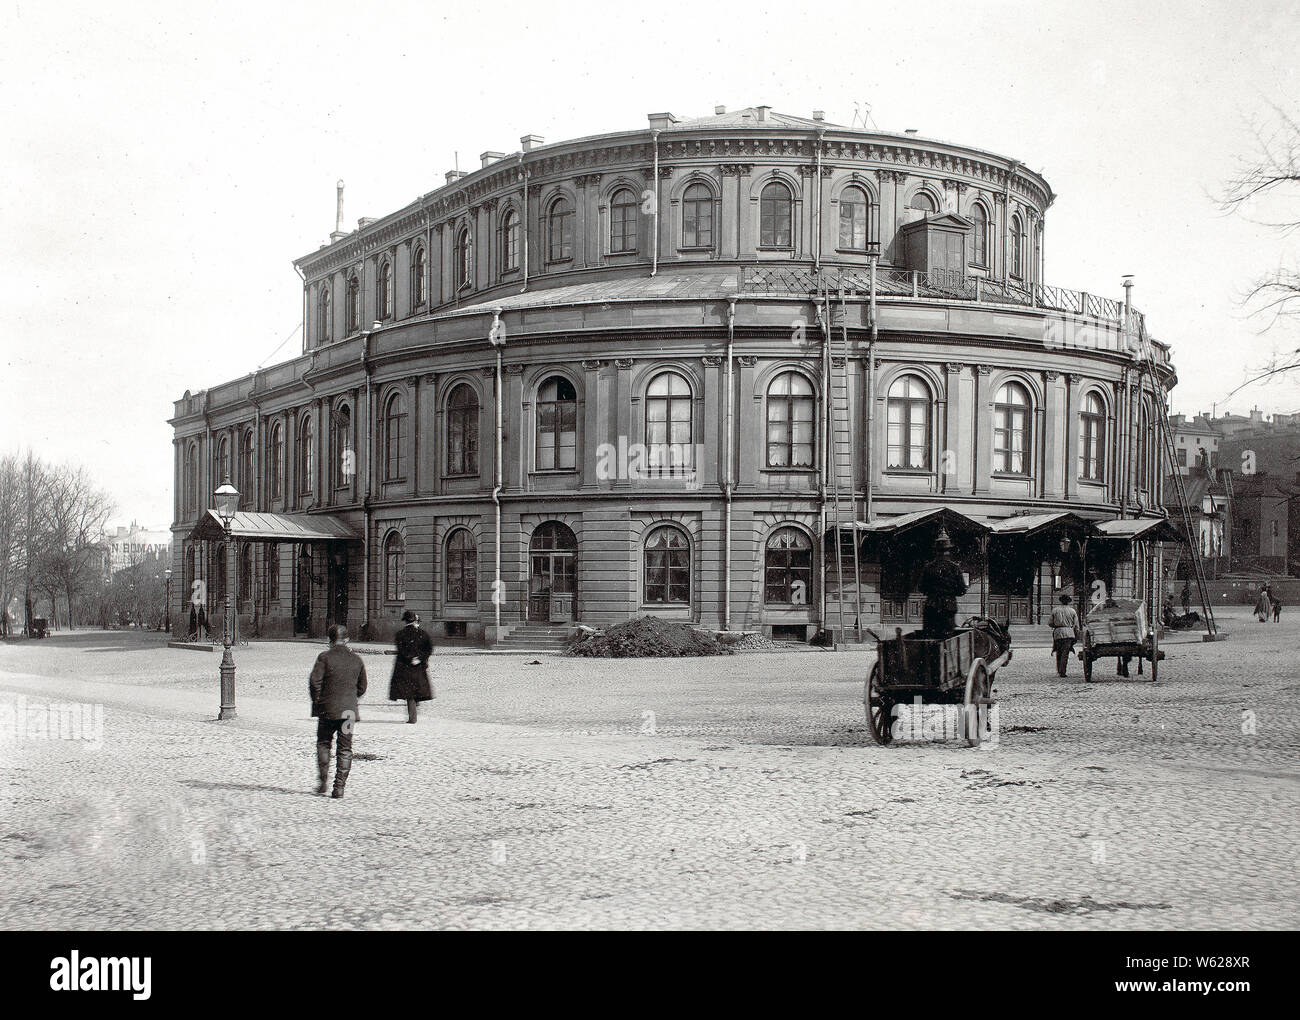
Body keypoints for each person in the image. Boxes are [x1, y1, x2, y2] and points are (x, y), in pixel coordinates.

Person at [309, 624, 368, 798]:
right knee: (345, 748)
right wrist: (351, 698)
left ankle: (322, 783)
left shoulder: (324, 657)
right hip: (348, 713)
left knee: (323, 743)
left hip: (327, 711)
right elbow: (362, 687)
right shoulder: (357, 659)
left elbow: (314, 683)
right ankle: (339, 788)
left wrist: (318, 701)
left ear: (329, 640)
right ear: (347, 639)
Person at [917, 528, 968, 637]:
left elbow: (921, 588)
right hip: (948, 608)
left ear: (936, 551)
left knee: (929, 635)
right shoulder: (955, 568)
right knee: (947, 637)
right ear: (948, 551)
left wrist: (933, 592)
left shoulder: (928, 567)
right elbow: (962, 590)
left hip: (931, 607)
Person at [389, 609, 434, 723]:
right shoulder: (423, 634)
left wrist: (410, 658)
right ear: (415, 621)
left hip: (405, 666)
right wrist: (420, 658)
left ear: (405, 621)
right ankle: (415, 710)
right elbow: (429, 649)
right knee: (417, 688)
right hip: (419, 666)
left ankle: (412, 718)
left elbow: (401, 650)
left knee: (409, 693)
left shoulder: (400, 634)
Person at [1048, 594, 1081, 678]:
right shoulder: (1072, 611)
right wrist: (1076, 634)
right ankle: (1063, 671)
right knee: (1065, 653)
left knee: (1059, 652)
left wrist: (1056, 625)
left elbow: (1050, 623)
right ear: (1069, 602)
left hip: (1058, 633)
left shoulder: (1055, 610)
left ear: (1061, 601)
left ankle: (1059, 670)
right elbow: (1076, 625)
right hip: (1069, 633)